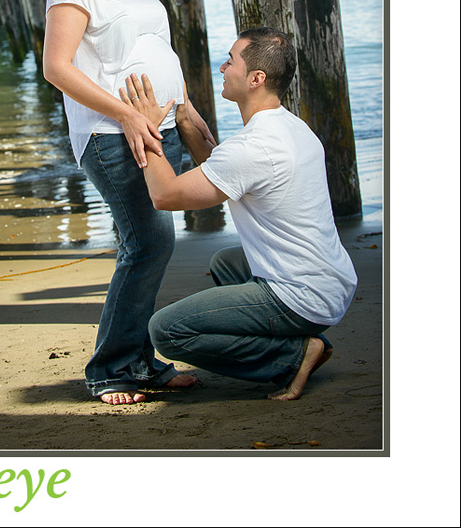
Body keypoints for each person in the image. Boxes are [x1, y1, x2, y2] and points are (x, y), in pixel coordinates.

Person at [43, 0, 213, 405]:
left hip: (157, 124)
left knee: (148, 242)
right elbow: (56, 67)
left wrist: (184, 106)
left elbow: (154, 45)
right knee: (150, 241)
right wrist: (126, 114)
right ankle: (112, 368)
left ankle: (137, 361)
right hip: (109, 132)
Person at [120, 27, 358, 401]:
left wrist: (143, 125)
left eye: (231, 61)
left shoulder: (255, 148)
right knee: (225, 263)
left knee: (166, 330)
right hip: (331, 280)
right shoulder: (289, 127)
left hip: (302, 295)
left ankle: (292, 356)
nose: (222, 67)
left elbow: (165, 195)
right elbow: (220, 169)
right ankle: (296, 341)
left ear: (256, 78)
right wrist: (185, 119)